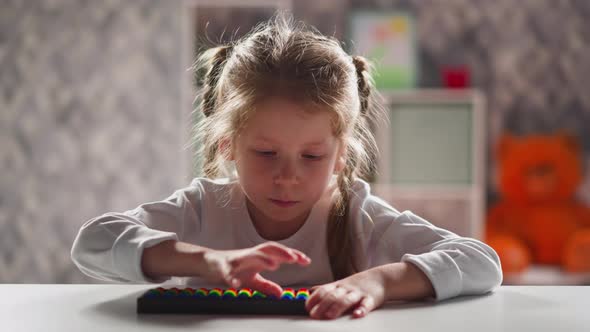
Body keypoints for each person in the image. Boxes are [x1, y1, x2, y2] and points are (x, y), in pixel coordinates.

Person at [71, 12, 502, 320]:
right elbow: (93, 242)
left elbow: (482, 262)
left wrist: (377, 283)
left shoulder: (355, 213)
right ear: (227, 145)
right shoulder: (205, 207)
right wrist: (204, 261)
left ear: (341, 158)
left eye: (312, 157)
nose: (288, 176)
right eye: (265, 153)